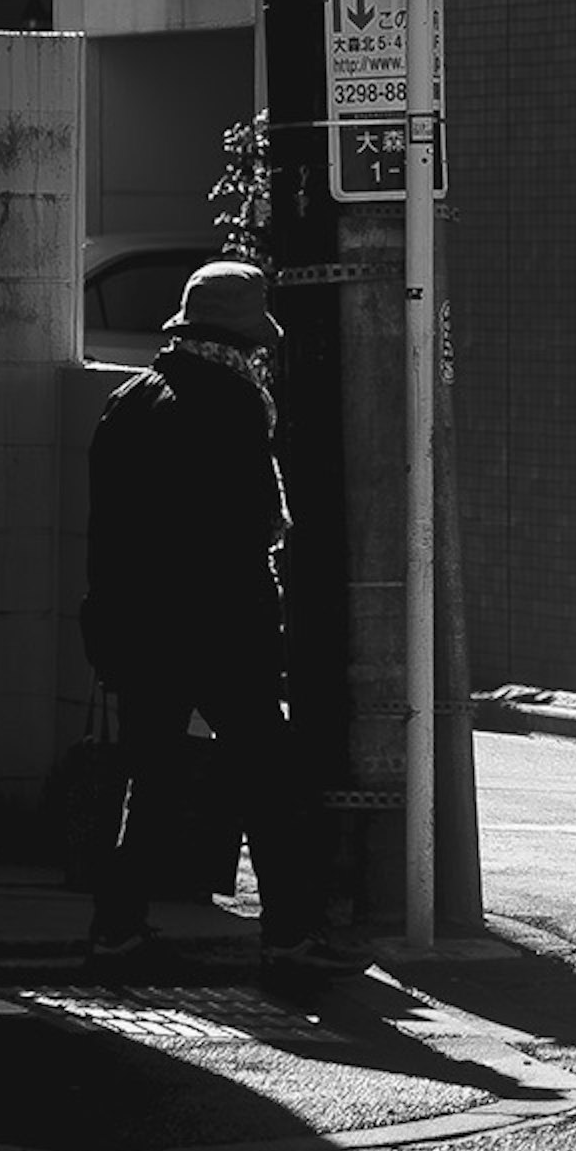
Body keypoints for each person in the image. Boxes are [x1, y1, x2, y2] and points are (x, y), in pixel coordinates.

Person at [78, 260, 351, 974]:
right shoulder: (232, 403)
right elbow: (249, 527)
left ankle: (116, 924)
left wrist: (104, 625)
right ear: (241, 338)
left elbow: (106, 533)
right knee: (269, 778)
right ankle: (290, 932)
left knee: (152, 774)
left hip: (142, 626)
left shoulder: (130, 400)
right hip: (223, 626)